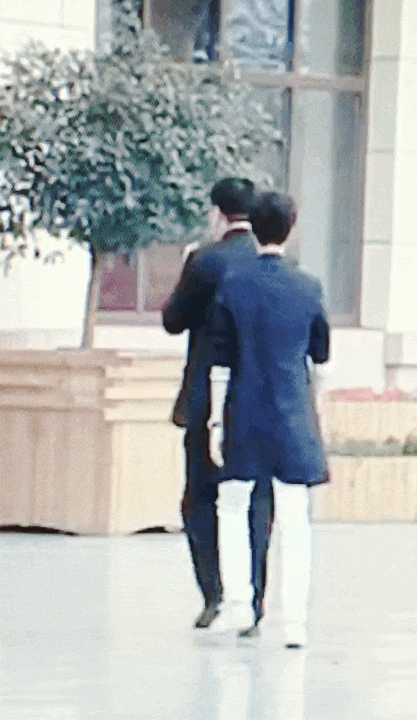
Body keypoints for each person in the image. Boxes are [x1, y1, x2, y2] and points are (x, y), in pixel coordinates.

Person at [206, 191, 330, 647]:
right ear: (291, 227)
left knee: (233, 504)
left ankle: (239, 605)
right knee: (296, 516)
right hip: (293, 413)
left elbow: (220, 362)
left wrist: (215, 422)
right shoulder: (309, 287)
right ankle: (294, 620)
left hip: (244, 411)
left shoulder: (234, 284)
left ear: (253, 228)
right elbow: (320, 357)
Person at [162, 178, 274, 630]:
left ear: (218, 213)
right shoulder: (269, 263)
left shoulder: (205, 260)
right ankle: (256, 597)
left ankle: (213, 595)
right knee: (258, 499)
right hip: (257, 396)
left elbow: (174, 320)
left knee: (200, 497)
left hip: (207, 396)